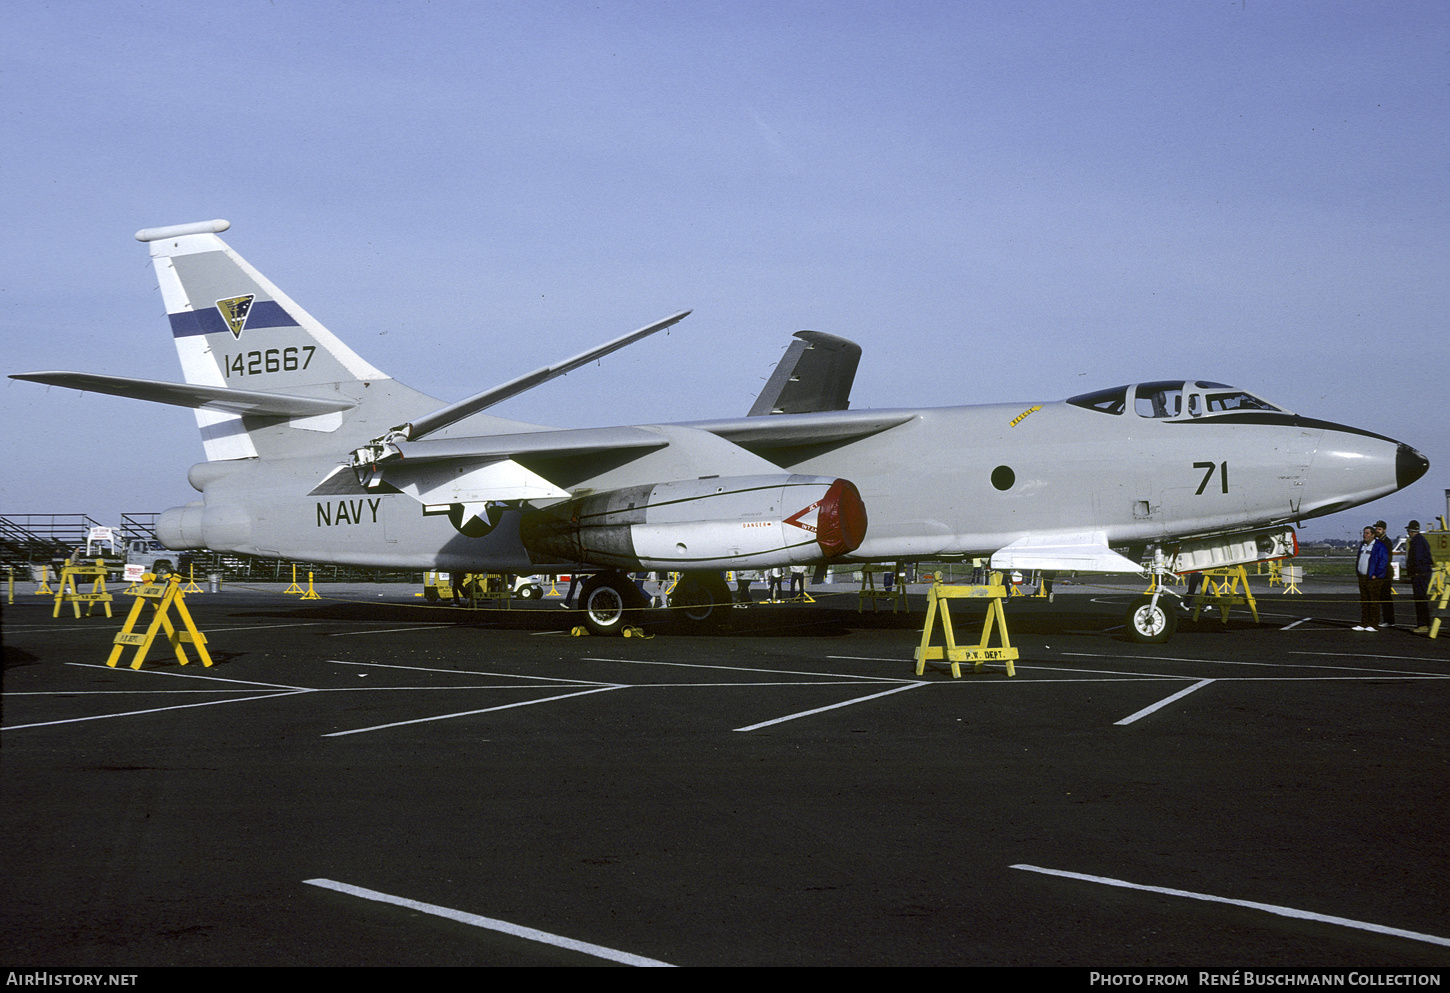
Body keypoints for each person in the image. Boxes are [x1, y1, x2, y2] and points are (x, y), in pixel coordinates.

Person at [1354, 525, 1388, 631]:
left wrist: (1376, 574)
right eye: (1364, 533)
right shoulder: (1363, 545)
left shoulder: (1379, 546)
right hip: (1363, 577)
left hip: (1373, 578)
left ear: (1373, 535)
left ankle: (1373, 624)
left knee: (1373, 601)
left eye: (1367, 533)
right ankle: (1364, 622)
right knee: (1364, 600)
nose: (1365, 535)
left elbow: (1383, 561)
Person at [1405, 520, 1435, 634]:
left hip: (1420, 575)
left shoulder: (1417, 542)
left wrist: (1415, 571)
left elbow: (1417, 558)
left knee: (1420, 599)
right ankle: (1423, 623)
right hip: (1422, 573)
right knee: (1421, 599)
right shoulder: (1420, 540)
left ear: (1411, 530)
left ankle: (1423, 624)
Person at [1373, 521, 1395, 626]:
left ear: (1384, 530)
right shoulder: (1378, 541)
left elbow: (1386, 559)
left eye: (1379, 529)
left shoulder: (1386, 542)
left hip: (1385, 572)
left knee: (1386, 597)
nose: (1377, 530)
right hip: (1381, 572)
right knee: (1381, 596)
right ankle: (1386, 620)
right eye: (1376, 528)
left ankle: (1389, 620)